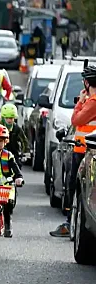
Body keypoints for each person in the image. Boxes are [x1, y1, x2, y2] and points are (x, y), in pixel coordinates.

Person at [51, 65, 96, 237]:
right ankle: (71, 221)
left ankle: (72, 223)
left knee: (77, 188)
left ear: (86, 82)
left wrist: (80, 102)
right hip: (83, 148)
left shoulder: (93, 102)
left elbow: (76, 119)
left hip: (85, 151)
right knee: (73, 188)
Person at [0, 103, 28, 168]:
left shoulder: (17, 129)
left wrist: (24, 153)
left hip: (13, 152)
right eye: (7, 118)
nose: (9, 120)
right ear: (3, 118)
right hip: (0, 151)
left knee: (17, 165)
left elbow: (24, 140)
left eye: (11, 118)